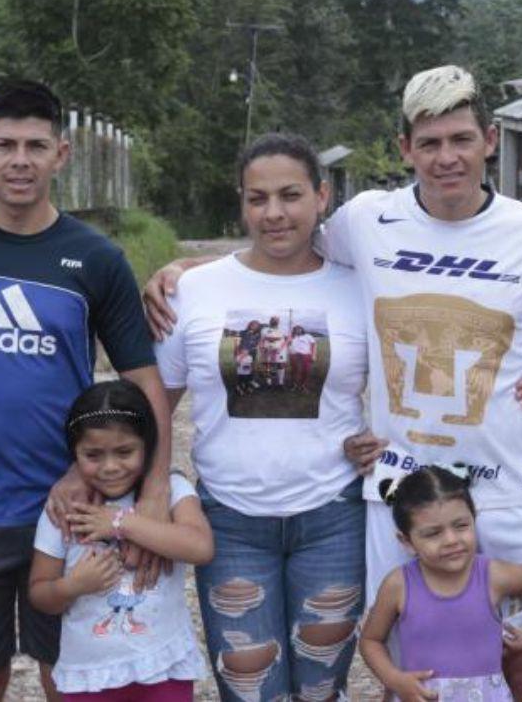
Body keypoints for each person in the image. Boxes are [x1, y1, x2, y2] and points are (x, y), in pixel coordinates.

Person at [144, 66, 522, 702]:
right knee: (407, 660)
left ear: (490, 140)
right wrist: (188, 268)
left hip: (507, 485)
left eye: (461, 139)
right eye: (429, 143)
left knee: (513, 658)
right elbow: (281, 248)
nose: (447, 157)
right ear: (405, 148)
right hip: (398, 487)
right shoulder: (366, 221)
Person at [0, 79, 173, 702]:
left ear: (61, 154)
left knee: (69, 678)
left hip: (71, 506)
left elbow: (143, 381)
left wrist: (152, 495)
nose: (19, 161)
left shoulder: (95, 257)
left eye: (35, 146)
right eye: (5, 145)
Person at [154, 134, 370, 701]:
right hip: (229, 522)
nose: (274, 213)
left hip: (334, 518)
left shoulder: (361, 288)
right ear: (242, 203)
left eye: (290, 195)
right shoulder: (192, 290)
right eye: (258, 198)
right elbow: (156, 406)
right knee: (251, 689)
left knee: (321, 688)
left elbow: (406, 383)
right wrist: (153, 494)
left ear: (322, 196)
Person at [29, 380, 211, 701]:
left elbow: (200, 547)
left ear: (148, 445)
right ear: (73, 453)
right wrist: (72, 587)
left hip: (163, 665)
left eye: (125, 452)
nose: (110, 467)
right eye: (93, 455)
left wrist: (119, 522)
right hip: (90, 675)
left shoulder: (170, 492)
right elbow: (40, 593)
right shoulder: (65, 510)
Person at [359, 465, 522, 702]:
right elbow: (370, 640)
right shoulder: (398, 585)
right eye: (433, 533)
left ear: (474, 520)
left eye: (461, 526)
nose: (451, 540)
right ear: (407, 541)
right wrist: (395, 680)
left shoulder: (492, 575)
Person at [288, 325, 316, 392]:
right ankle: (295, 385)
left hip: (305, 355)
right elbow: (288, 345)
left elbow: (314, 346)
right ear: (294, 330)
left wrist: (313, 355)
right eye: (296, 329)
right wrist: (290, 340)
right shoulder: (292, 337)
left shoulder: (308, 336)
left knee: (306, 371)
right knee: (294, 371)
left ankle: (303, 386)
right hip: (294, 355)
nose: (298, 330)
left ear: (302, 329)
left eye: (299, 329)